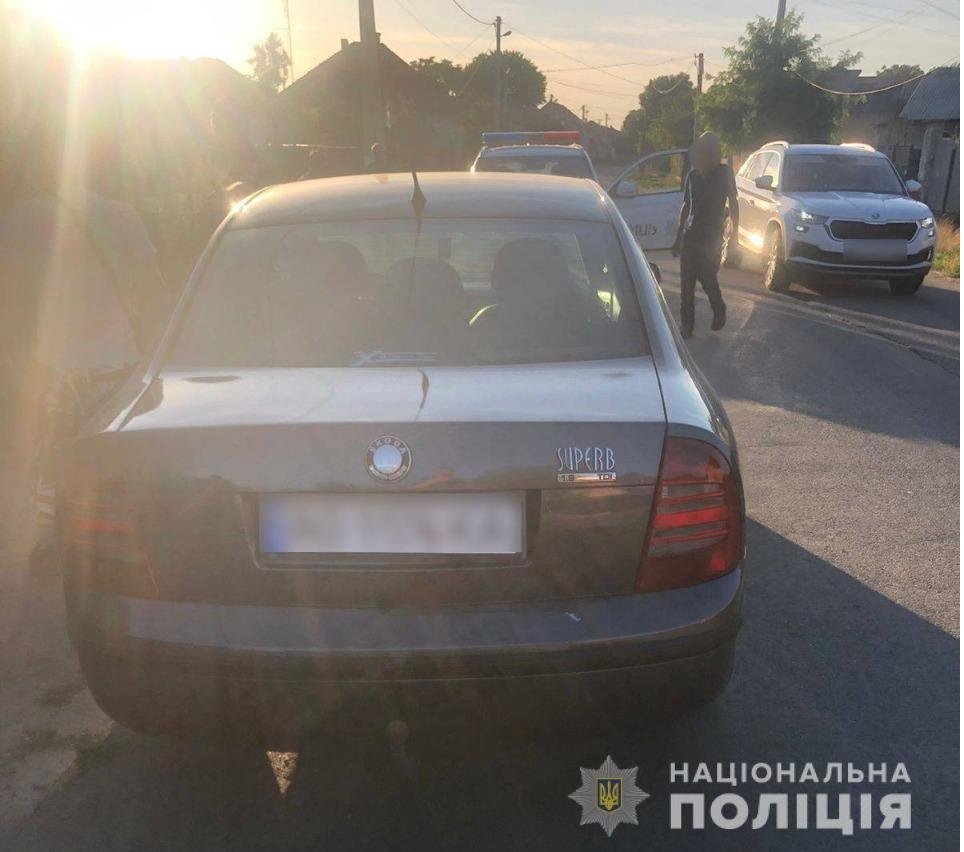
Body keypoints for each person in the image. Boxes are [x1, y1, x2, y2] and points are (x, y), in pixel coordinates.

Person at [671, 131, 738, 339]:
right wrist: (678, 236)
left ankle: (719, 308)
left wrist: (734, 232)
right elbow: (686, 206)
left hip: (712, 236)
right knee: (687, 282)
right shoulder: (692, 176)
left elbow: (733, 203)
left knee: (707, 277)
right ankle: (687, 325)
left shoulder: (724, 174)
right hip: (691, 235)